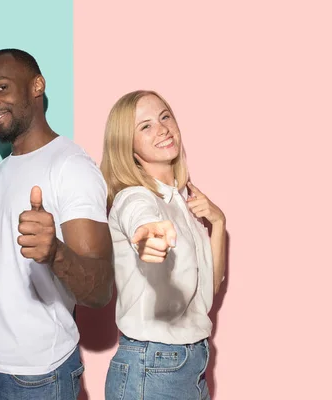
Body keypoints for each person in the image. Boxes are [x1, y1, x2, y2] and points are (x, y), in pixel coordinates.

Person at [0, 48, 114, 400]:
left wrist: (54, 252)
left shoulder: (71, 167)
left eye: (1, 88)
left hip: (34, 377)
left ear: (37, 86)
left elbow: (100, 291)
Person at [100, 90, 227, 400]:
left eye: (164, 116)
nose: (162, 129)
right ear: (125, 146)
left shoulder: (182, 203)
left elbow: (206, 290)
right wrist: (146, 235)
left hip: (190, 363)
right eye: (145, 126)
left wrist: (219, 224)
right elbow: (140, 219)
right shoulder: (135, 197)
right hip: (153, 364)